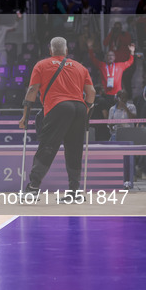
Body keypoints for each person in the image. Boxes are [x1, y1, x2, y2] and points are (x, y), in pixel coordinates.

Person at [19, 37, 95, 203]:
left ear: (50, 50)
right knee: (74, 149)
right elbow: (91, 92)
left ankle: (33, 188)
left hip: (58, 107)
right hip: (79, 108)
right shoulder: (80, 67)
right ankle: (74, 192)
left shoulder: (42, 65)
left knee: (48, 146)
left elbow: (32, 90)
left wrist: (25, 115)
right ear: (67, 51)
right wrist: (86, 110)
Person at [88, 40, 134, 107]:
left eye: (112, 55)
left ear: (114, 57)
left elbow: (130, 62)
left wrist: (132, 52)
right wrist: (90, 48)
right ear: (106, 57)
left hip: (118, 94)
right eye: (108, 55)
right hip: (106, 94)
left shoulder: (120, 66)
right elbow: (93, 59)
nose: (110, 57)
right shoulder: (102, 65)